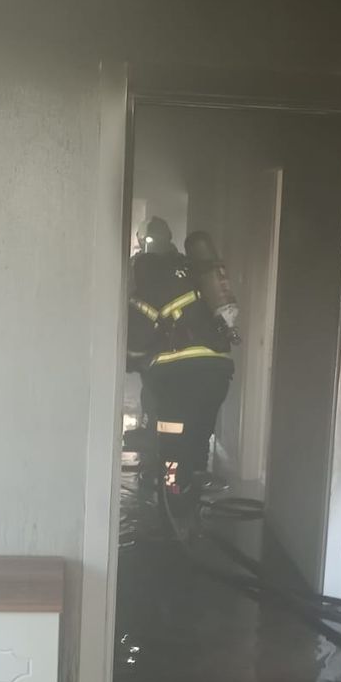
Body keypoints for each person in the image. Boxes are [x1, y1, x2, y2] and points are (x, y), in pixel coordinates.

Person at [127, 217, 235, 511]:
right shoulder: (191, 269)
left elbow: (136, 339)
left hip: (178, 379)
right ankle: (193, 491)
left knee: (172, 444)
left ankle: (172, 499)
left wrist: (131, 359)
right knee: (198, 437)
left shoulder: (150, 277)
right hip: (217, 374)